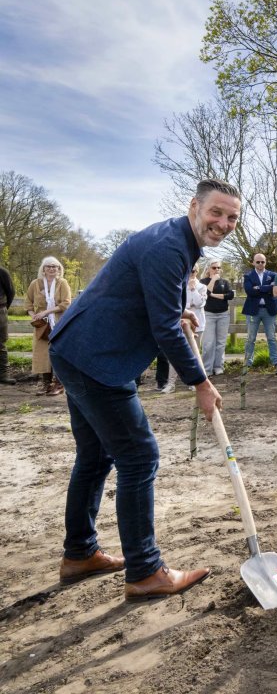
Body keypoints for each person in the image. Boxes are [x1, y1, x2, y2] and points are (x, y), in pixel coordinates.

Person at [49, 178, 239, 600]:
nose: (224, 223)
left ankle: (79, 554)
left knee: (96, 455)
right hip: (98, 360)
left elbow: (154, 308)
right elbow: (164, 330)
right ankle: (145, 570)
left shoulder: (175, 241)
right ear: (195, 206)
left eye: (232, 218)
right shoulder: (168, 248)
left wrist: (177, 316)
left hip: (80, 351)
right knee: (139, 456)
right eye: (216, 212)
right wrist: (201, 383)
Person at [26, 256, 72, 396]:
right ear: (43, 269)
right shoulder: (35, 283)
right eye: (49, 266)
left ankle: (59, 384)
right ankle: (46, 384)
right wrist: (33, 314)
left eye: (55, 266)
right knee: (42, 353)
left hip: (59, 322)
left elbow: (66, 303)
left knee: (58, 353)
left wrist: (46, 311)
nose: (52, 269)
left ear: (59, 269)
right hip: (42, 325)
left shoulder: (62, 283)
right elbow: (28, 302)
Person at [241, 253, 277, 371]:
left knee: (272, 337)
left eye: (262, 262)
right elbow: (249, 291)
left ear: (265, 262)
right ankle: (247, 362)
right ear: (253, 262)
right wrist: (267, 288)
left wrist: (258, 288)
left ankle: (275, 361)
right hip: (253, 310)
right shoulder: (248, 275)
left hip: (269, 310)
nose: (260, 264)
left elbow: (274, 290)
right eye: (257, 262)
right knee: (251, 338)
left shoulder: (273, 275)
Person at [200, 260, 235, 376]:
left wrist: (214, 295)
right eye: (214, 268)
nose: (216, 270)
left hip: (223, 315)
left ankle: (218, 366)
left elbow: (230, 295)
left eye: (218, 268)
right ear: (209, 269)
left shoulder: (225, 282)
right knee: (208, 343)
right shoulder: (203, 282)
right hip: (208, 315)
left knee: (221, 342)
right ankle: (207, 369)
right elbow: (205, 293)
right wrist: (213, 280)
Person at [0, 262, 16, 385]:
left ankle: (3, 375)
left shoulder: (3, 272)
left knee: (1, 343)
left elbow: (11, 292)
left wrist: (3, 308)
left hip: (0, 310)